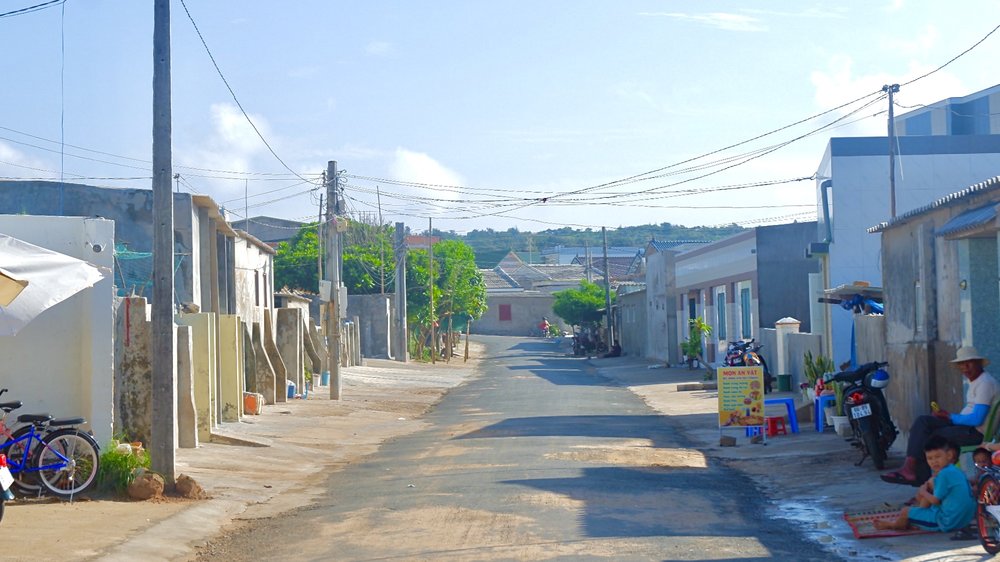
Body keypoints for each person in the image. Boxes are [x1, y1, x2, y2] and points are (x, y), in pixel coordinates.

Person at [881, 346, 1000, 486]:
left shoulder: (985, 383)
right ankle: (912, 470)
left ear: (978, 363)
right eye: (961, 364)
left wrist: (950, 417)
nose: (965, 367)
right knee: (923, 422)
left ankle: (920, 481)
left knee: (928, 437)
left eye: (970, 362)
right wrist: (946, 417)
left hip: (974, 432)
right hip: (964, 427)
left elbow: (977, 419)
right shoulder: (976, 382)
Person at [874, 435, 975, 532]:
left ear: (949, 455)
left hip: (947, 522)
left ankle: (895, 525)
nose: (934, 462)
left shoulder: (944, 474)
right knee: (930, 485)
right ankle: (919, 514)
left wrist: (923, 491)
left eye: (937, 457)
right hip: (965, 520)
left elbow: (935, 501)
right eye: (930, 458)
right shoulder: (954, 470)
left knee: (905, 511)